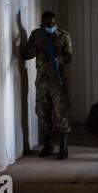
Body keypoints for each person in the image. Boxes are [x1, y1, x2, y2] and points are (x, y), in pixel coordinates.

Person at [22, 11, 73, 160]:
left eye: (52, 24)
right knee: (43, 114)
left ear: (55, 22)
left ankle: (63, 147)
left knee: (61, 114)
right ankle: (47, 145)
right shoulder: (37, 35)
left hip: (58, 82)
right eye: (47, 24)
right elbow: (25, 54)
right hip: (42, 82)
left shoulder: (64, 36)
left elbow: (69, 57)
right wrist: (37, 49)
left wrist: (59, 58)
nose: (50, 26)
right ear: (42, 23)